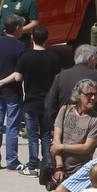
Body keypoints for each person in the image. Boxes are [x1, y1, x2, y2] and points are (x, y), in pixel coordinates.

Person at [16, 25, 61, 173]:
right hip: (48, 102)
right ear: (46, 39)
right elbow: (57, 79)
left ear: (32, 38)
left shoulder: (25, 57)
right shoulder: (53, 57)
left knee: (32, 135)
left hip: (30, 102)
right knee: (47, 135)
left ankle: (33, 163)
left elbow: (18, 77)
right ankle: (47, 161)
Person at [0, 15, 26, 170]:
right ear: (16, 28)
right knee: (12, 126)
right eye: (21, 27)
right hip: (12, 92)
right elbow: (18, 74)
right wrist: (1, 82)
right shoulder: (20, 47)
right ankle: (12, 161)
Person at [46, 43, 97, 129]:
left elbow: (49, 107)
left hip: (65, 134)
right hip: (90, 135)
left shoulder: (60, 77)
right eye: (96, 60)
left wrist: (58, 129)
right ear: (90, 59)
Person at [52, 78, 97, 181]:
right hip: (60, 169)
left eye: (96, 94)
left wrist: (62, 147)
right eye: (89, 94)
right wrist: (59, 166)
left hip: (80, 171)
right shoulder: (65, 110)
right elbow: (56, 141)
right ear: (78, 95)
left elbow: (87, 148)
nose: (93, 98)